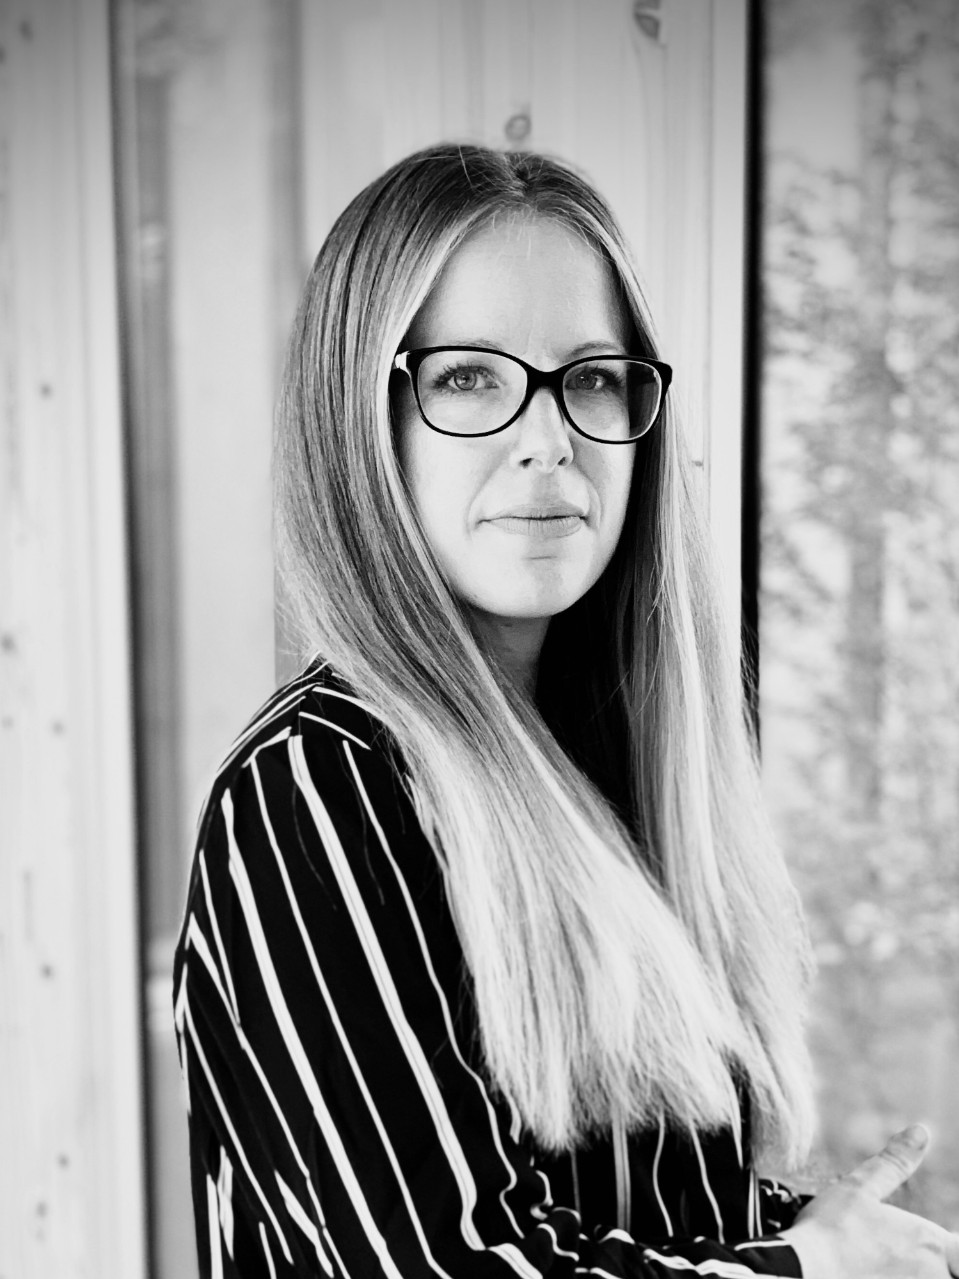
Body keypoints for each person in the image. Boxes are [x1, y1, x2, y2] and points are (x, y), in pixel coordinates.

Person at [172, 143, 959, 1279]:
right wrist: (808, 1271)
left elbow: (613, 1207)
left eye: (590, 378)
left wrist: (818, 1232)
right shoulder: (314, 792)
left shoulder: (613, 760)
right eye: (467, 378)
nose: (548, 437)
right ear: (360, 421)